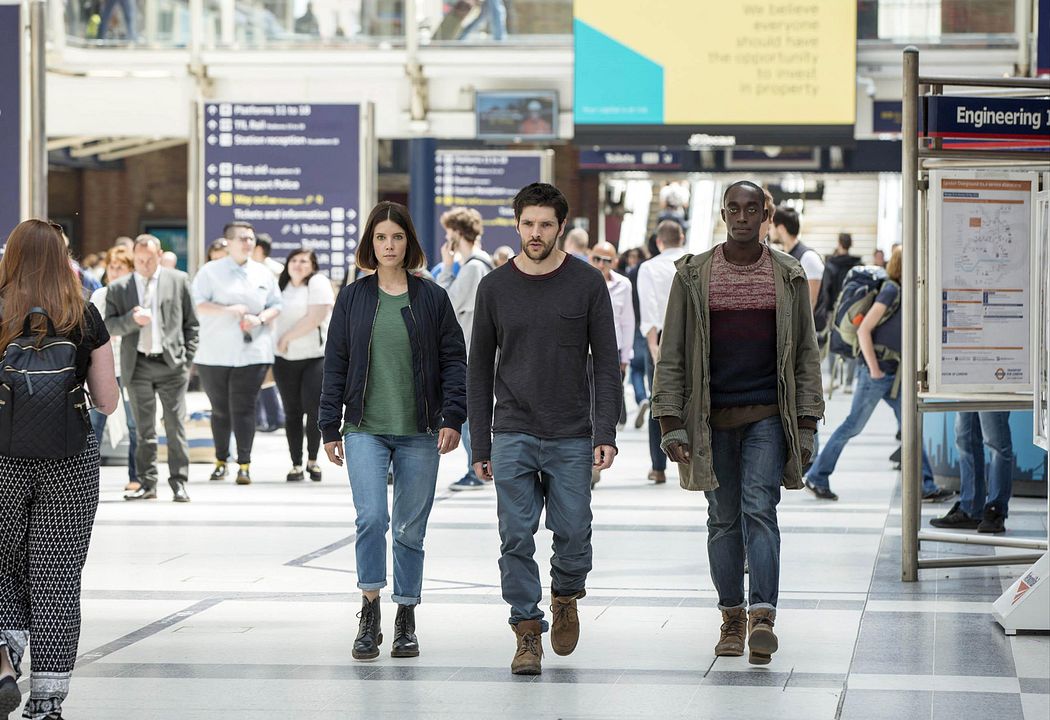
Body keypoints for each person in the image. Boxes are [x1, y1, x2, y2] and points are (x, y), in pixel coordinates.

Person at [654, 180, 824, 665]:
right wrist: (670, 421)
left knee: (759, 508)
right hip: (710, 420)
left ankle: (762, 616)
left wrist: (807, 422)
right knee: (722, 520)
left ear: (767, 216)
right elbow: (673, 354)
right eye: (735, 209)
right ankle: (731, 616)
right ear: (724, 214)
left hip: (768, 415)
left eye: (754, 209)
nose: (744, 217)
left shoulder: (787, 275)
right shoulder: (694, 275)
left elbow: (806, 355)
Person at [468, 182, 620, 676]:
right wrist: (481, 438)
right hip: (511, 428)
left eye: (546, 225)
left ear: (561, 228)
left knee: (573, 529)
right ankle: (526, 629)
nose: (536, 233)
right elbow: (477, 367)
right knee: (515, 534)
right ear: (516, 224)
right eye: (528, 224)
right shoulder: (493, 287)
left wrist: (605, 431)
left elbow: (606, 363)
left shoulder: (586, 283)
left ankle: (567, 594)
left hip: (572, 431)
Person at [319, 201, 466, 661]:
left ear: (409, 243)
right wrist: (328, 426)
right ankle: (369, 610)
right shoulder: (353, 298)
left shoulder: (432, 298)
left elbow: (453, 362)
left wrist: (452, 417)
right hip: (364, 428)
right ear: (370, 243)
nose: (389, 245)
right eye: (381, 237)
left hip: (420, 431)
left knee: (408, 528)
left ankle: (406, 615)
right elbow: (336, 363)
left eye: (397, 237)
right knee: (371, 520)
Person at [0, 219, 119, 720]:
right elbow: (108, 402)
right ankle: (46, 702)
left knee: (4, 567)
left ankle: (5, 664)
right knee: (56, 577)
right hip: (69, 461)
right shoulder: (84, 313)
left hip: (2, 458)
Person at [804, 247, 951, 502]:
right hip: (878, 373)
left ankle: (926, 485)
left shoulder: (904, 291)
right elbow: (864, 330)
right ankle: (817, 476)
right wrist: (874, 370)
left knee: (910, 427)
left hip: (893, 374)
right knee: (852, 426)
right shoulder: (891, 290)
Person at [105, 235, 199, 503]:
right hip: (138, 364)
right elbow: (109, 326)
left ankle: (179, 482)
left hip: (172, 365)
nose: (145, 264)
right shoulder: (119, 288)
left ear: (159, 255)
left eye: (149, 259)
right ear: (134, 258)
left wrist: (186, 360)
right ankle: (147, 484)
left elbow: (191, 323)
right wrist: (131, 320)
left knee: (175, 426)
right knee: (144, 431)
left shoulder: (177, 280)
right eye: (140, 260)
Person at [192, 221, 281, 485]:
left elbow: (277, 304)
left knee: (244, 408)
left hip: (253, 351)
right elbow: (198, 304)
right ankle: (221, 461)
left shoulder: (263, 273)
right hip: (214, 353)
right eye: (242, 238)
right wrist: (228, 310)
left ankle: (244, 464)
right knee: (220, 409)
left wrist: (260, 319)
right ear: (228, 242)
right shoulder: (210, 272)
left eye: (251, 239)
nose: (248, 243)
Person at [436, 207, 494, 491]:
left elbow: (444, 300)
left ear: (458, 234)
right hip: (476, 350)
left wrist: (447, 266)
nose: (447, 240)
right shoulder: (481, 264)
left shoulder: (472, 267)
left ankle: (477, 467)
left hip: (471, 352)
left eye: (449, 234)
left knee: (470, 415)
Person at [272, 248, 335, 483]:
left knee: (313, 409)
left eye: (304, 261)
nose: (298, 265)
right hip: (284, 359)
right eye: (294, 260)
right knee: (292, 412)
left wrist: (286, 337)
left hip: (314, 357)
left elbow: (315, 317)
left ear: (313, 266)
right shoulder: (280, 285)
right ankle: (296, 464)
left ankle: (313, 460)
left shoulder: (318, 283)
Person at [636, 220, 688, 484]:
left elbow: (650, 310)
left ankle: (658, 468)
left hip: (663, 342)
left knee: (660, 404)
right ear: (682, 237)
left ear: (659, 242)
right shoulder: (694, 262)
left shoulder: (649, 268)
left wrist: (654, 347)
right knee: (691, 401)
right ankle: (692, 458)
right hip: (691, 342)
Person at [88, 245, 138, 491]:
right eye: (112, 266)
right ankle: (86, 476)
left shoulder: (136, 295)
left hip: (130, 367)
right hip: (104, 367)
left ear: (130, 269)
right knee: (95, 422)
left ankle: (136, 476)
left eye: (121, 267)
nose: (115, 271)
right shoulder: (100, 295)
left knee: (134, 423)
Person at [589, 241, 634, 486]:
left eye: (606, 260)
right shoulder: (581, 281)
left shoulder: (622, 285)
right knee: (584, 407)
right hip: (582, 354)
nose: (601, 265)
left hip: (609, 353)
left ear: (614, 262)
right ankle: (587, 459)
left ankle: (595, 458)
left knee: (602, 407)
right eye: (597, 259)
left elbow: (627, 321)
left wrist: (625, 357)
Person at [931, 412, 1014, 533]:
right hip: (965, 391)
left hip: (992, 392)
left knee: (996, 442)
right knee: (964, 440)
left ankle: (995, 511)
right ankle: (970, 509)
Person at [768, 206, 823, 313]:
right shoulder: (784, 256)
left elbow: (811, 303)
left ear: (781, 229)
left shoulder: (808, 258)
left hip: (811, 328)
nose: (769, 232)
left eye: (771, 228)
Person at [815, 233, 862, 335]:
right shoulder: (858, 265)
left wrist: (824, 312)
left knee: (833, 339)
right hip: (853, 308)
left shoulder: (831, 265)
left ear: (839, 244)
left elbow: (825, 291)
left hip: (834, 309)